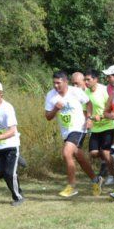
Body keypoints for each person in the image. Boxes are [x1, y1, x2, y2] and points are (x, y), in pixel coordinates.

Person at [44, 70, 101, 198]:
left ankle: (71, 186)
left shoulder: (75, 92)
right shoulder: (51, 95)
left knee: (66, 152)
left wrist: (89, 119)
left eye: (58, 83)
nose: (56, 86)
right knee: (78, 156)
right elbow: (48, 116)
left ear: (65, 82)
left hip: (79, 128)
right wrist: (56, 108)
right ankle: (96, 179)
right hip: (65, 130)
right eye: (54, 83)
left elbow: (88, 103)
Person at [84, 69, 114, 186]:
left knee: (105, 151)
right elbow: (86, 109)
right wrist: (88, 119)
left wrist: (102, 116)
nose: (86, 82)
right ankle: (111, 157)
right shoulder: (85, 92)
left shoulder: (104, 90)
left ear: (95, 80)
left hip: (108, 125)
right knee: (93, 153)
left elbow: (112, 108)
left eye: (88, 79)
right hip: (95, 128)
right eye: (85, 80)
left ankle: (113, 176)